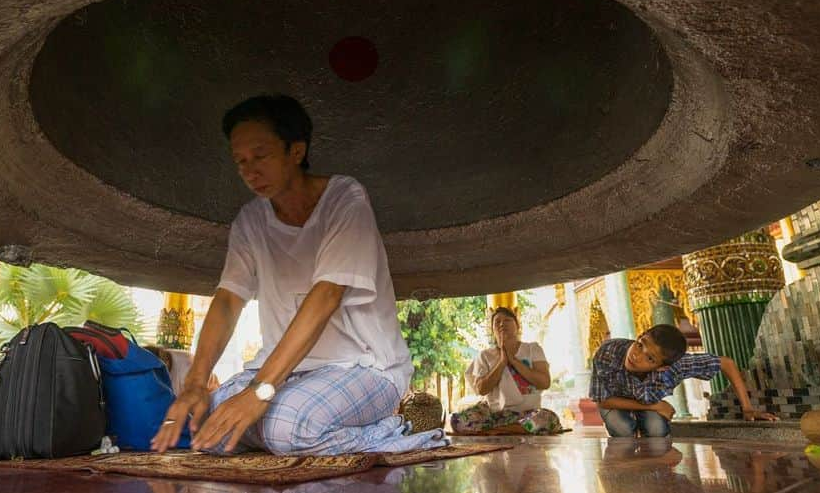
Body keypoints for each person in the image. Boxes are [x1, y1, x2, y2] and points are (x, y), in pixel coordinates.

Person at [151, 94, 447, 455]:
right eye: (240, 161)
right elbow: (229, 300)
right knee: (208, 425)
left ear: (295, 151)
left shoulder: (344, 199)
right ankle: (296, 434)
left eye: (260, 155)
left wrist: (260, 391)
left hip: (366, 368)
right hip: (288, 373)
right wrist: (196, 383)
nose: (249, 170)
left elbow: (326, 296)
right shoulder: (250, 220)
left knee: (286, 429)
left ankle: (394, 431)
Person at [590, 325, 778, 437]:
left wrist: (747, 408)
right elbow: (603, 399)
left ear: (662, 367)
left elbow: (726, 363)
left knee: (656, 431)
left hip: (646, 400)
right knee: (622, 429)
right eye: (640, 345)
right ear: (640, 336)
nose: (636, 356)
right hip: (614, 401)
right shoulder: (609, 352)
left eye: (650, 359)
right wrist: (654, 407)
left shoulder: (677, 366)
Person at [450, 307, 560, 435]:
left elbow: (545, 383)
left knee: (549, 418)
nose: (502, 324)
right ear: (492, 330)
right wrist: (502, 361)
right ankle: (514, 429)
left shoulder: (532, 349)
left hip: (527, 414)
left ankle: (496, 431)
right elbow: (481, 389)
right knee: (457, 421)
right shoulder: (484, 355)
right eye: (497, 322)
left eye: (507, 320)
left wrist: (513, 361)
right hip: (495, 415)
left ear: (517, 326)